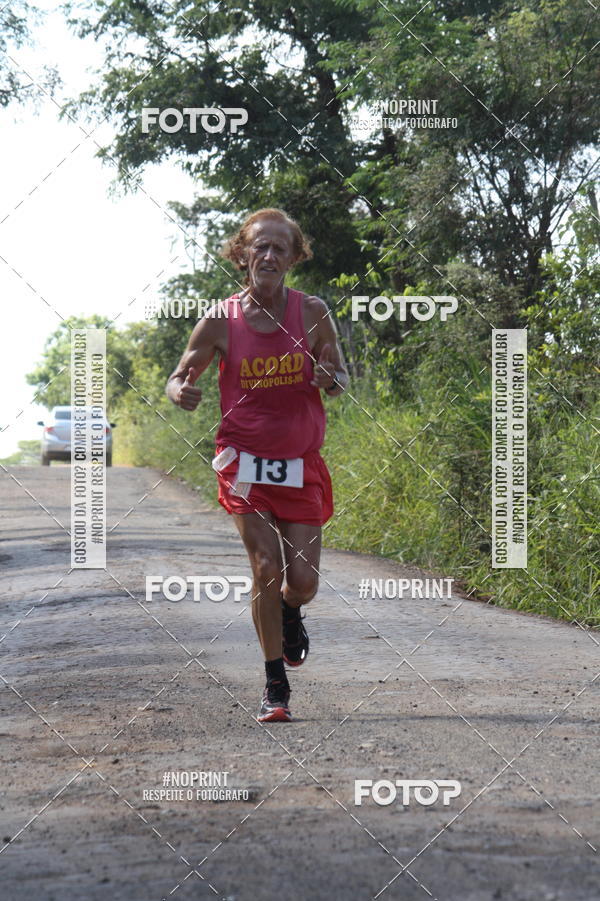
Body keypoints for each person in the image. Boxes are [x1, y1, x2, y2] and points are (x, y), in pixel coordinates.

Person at [166, 208, 348, 722]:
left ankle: (292, 613)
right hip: (243, 461)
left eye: (279, 249)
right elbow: (179, 374)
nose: (268, 256)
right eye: (260, 247)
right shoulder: (221, 320)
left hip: (298, 463)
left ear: (293, 258)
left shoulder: (311, 313)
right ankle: (275, 681)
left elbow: (339, 375)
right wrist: (182, 390)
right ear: (243, 253)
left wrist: (330, 378)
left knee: (304, 582)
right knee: (265, 567)